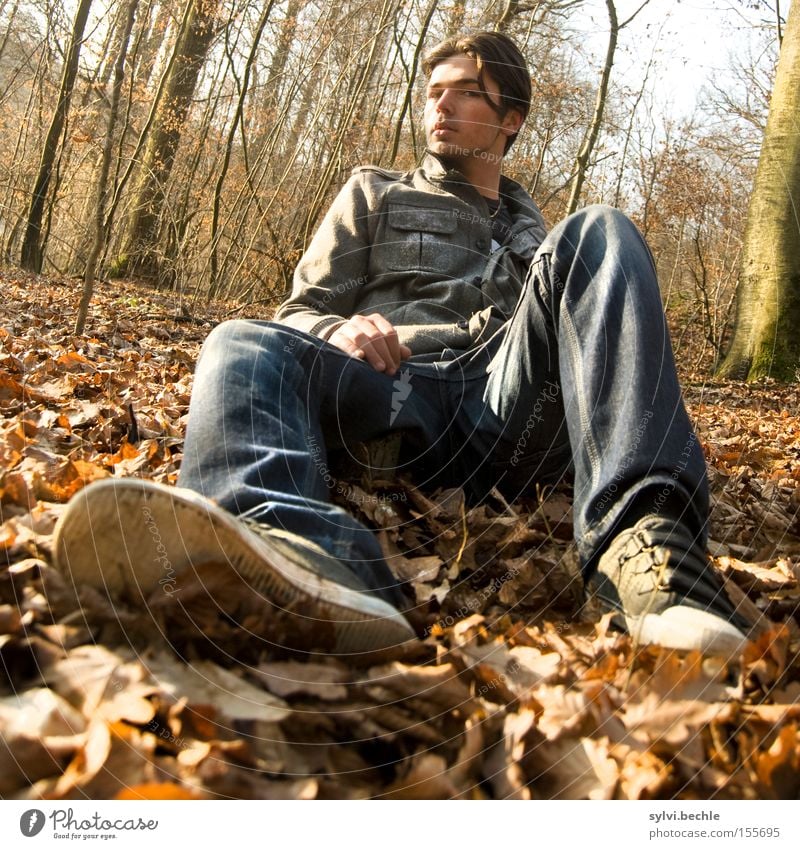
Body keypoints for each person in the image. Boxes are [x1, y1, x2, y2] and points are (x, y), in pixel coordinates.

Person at [54, 31, 748, 659]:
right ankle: (296, 549)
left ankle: (647, 547)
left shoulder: (543, 238)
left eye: (467, 94)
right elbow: (299, 311)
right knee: (238, 343)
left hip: (502, 412)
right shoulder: (373, 194)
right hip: (390, 394)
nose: (440, 107)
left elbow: (590, 347)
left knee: (605, 230)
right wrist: (338, 329)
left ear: (511, 121)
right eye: (433, 92)